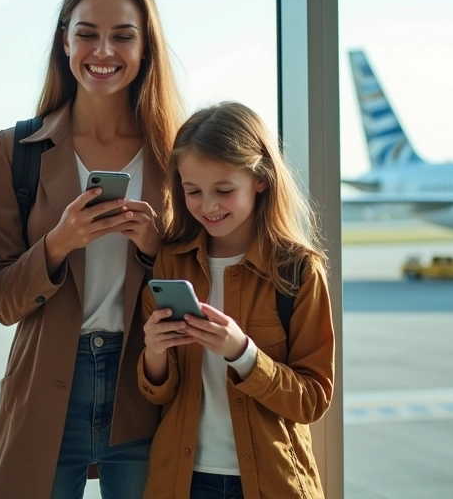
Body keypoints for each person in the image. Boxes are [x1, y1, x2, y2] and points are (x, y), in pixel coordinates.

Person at [0, 0, 186, 499]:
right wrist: (59, 242)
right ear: (64, 40)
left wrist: (152, 247)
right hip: (47, 384)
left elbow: (201, 277)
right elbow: (1, 300)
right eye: (87, 33)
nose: (103, 50)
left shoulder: (179, 154)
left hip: (147, 382)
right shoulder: (15, 150)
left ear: (146, 48)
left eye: (123, 36)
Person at [138, 102, 335, 498]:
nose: (208, 206)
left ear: (260, 179)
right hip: (182, 481)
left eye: (224, 190)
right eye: (192, 191)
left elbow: (312, 400)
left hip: (271, 483)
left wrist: (243, 353)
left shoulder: (298, 271)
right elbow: (158, 394)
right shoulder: (170, 262)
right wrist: (154, 352)